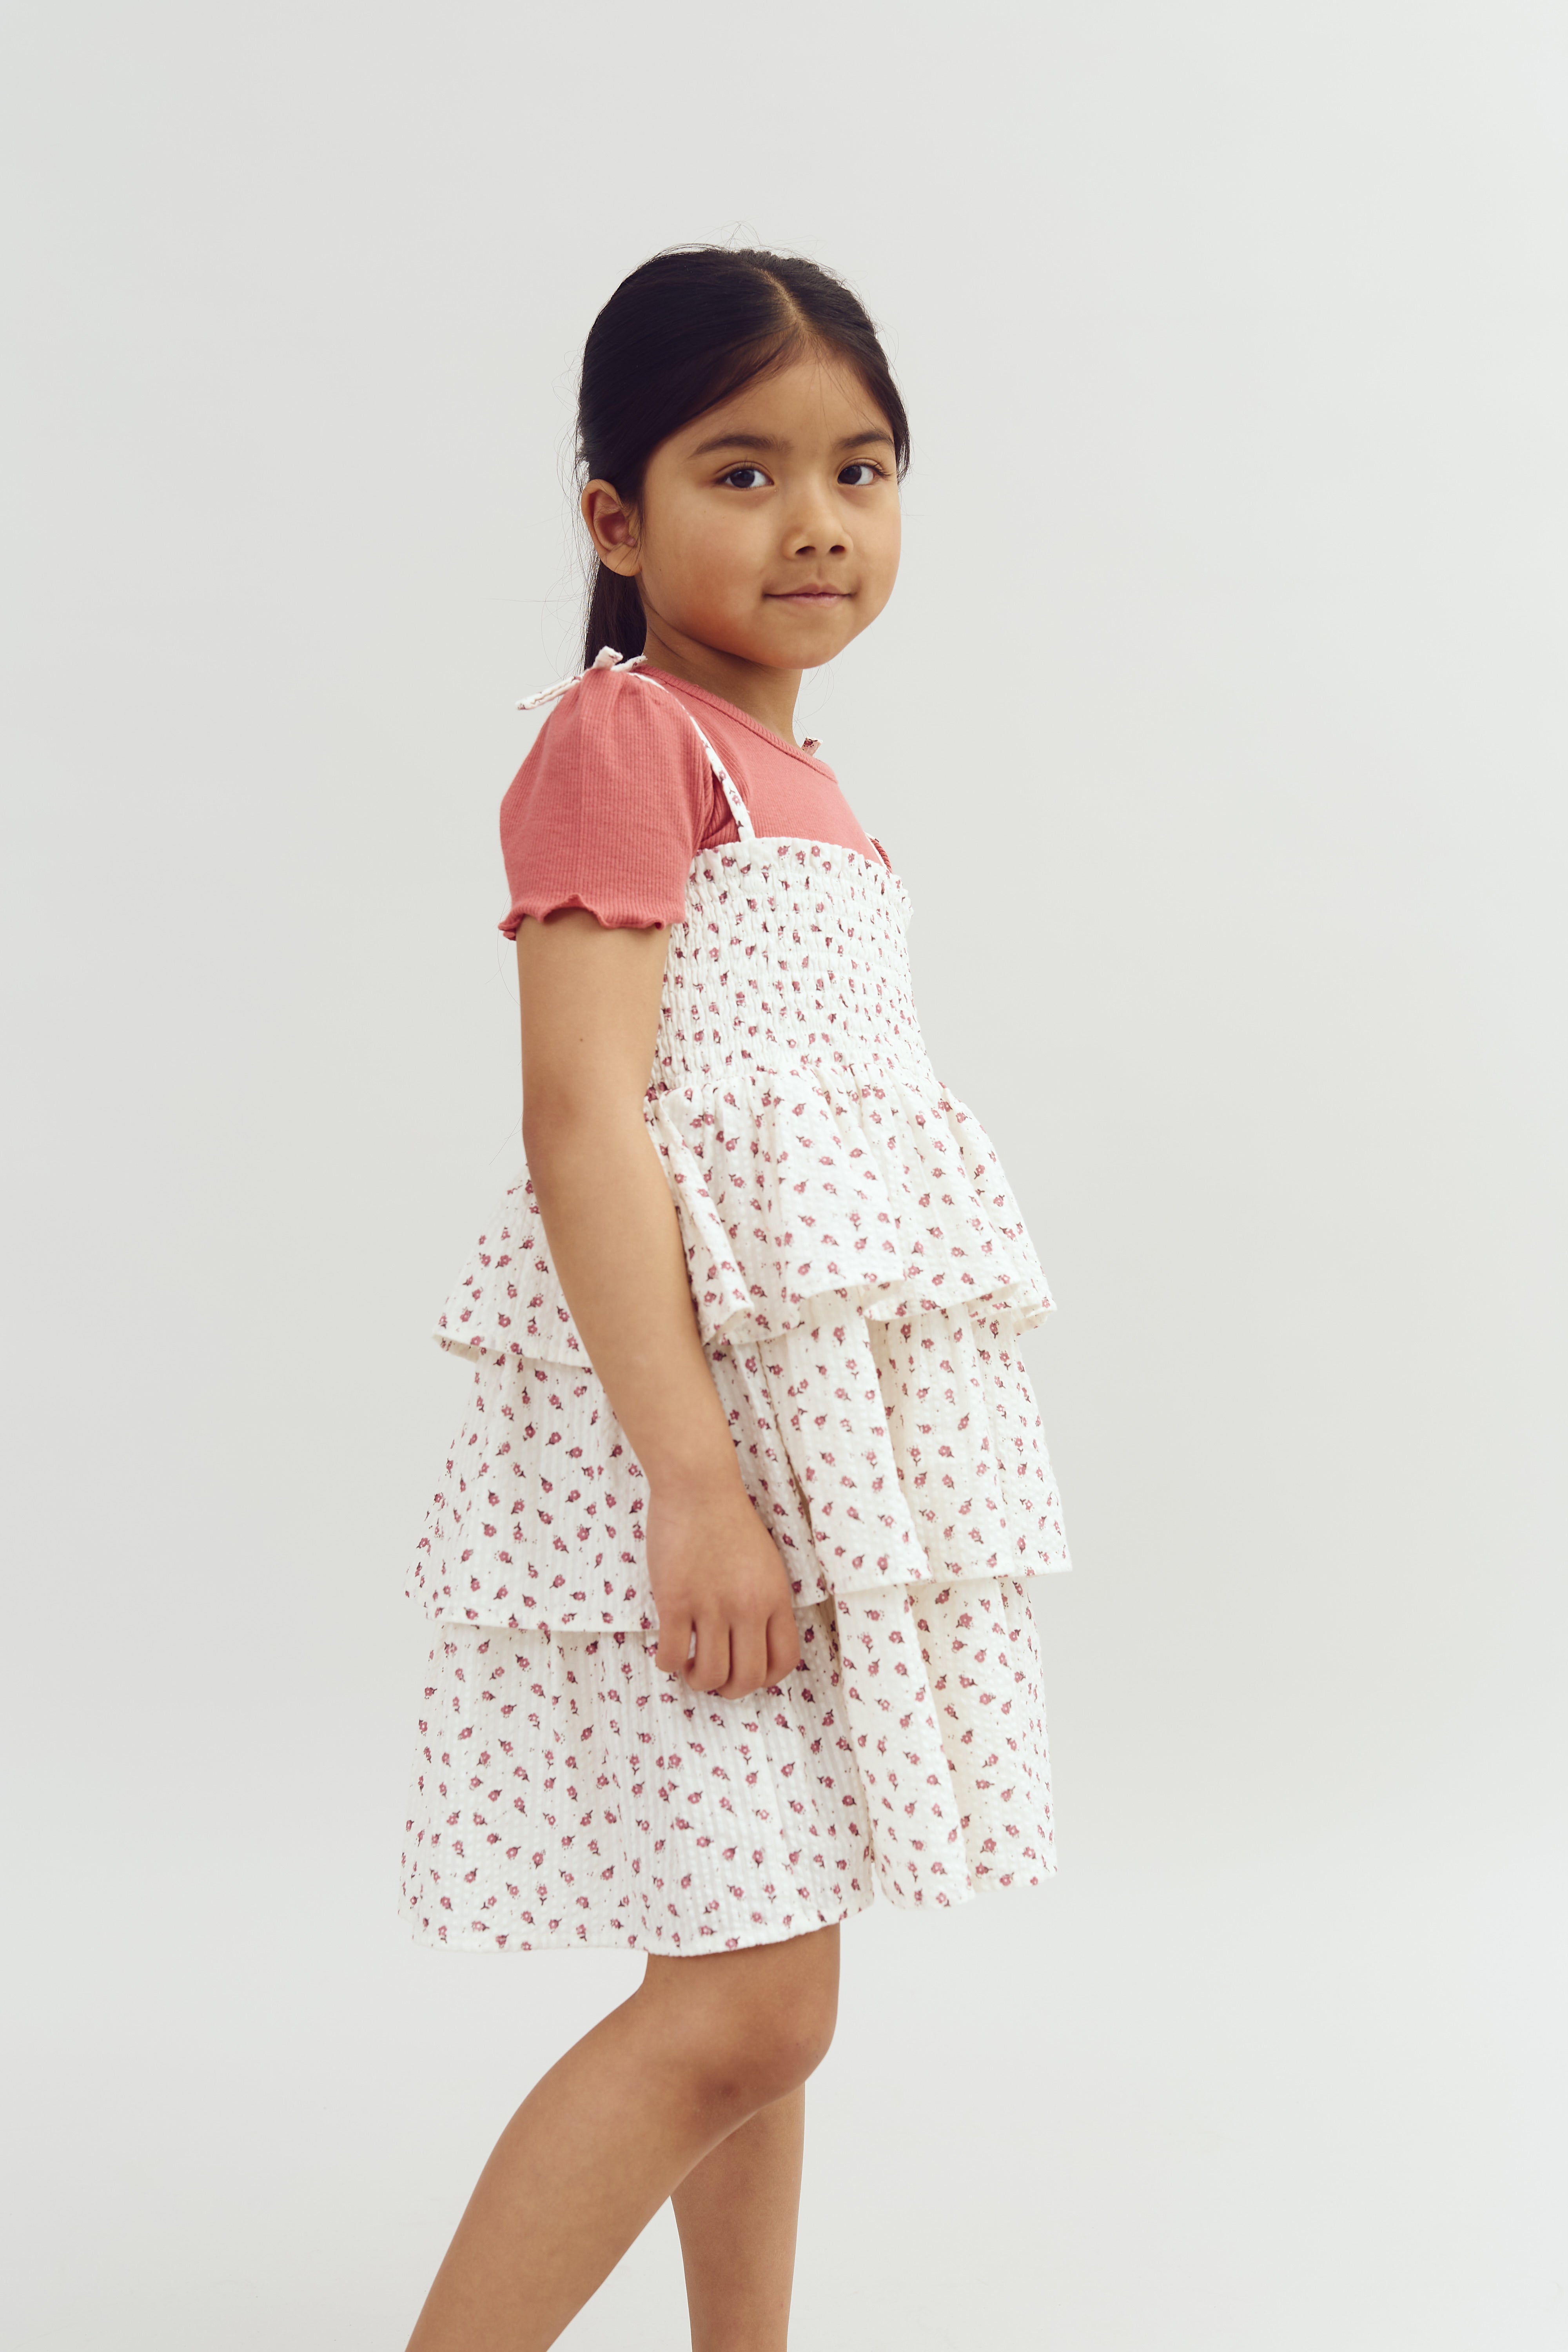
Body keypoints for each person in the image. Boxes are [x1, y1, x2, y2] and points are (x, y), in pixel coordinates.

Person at [400, 245, 1071, 2352]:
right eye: (744, 468)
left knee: (765, 1986)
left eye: (861, 468)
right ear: (615, 518)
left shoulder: (811, 797)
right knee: (747, 2005)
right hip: (698, 1460)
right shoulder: (628, 741)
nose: (816, 521)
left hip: (797, 1460)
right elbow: (583, 1125)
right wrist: (696, 1482)